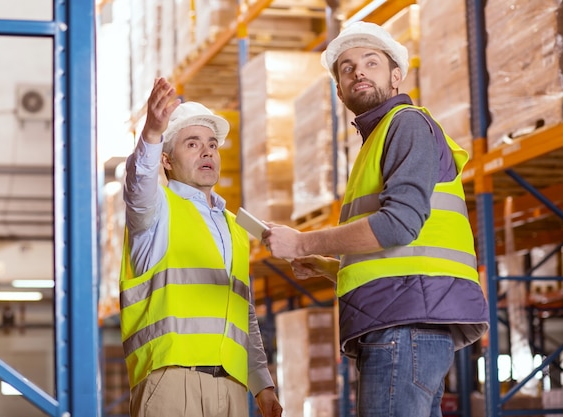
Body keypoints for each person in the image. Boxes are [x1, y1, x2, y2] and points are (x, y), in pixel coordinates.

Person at [262, 21, 489, 417]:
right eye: (347, 68)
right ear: (339, 90)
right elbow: (397, 253)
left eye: (371, 62)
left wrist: (301, 243)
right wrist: (331, 267)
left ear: (396, 76)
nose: (358, 72)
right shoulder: (379, 139)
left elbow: (399, 226)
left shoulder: (406, 124)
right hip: (408, 320)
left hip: (405, 326)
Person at [119, 77, 283, 417]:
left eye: (212, 144)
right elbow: (138, 184)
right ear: (166, 160)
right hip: (173, 382)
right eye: (192, 144)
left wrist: (261, 384)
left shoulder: (235, 228)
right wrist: (151, 133)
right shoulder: (155, 212)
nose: (207, 151)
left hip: (232, 386)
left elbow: (243, 314)